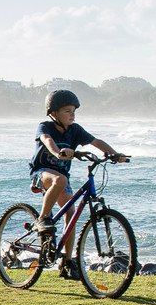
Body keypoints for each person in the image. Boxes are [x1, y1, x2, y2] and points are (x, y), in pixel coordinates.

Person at [29, 90, 128, 280]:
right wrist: (58, 153)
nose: (72, 114)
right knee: (61, 180)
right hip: (41, 173)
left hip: (60, 176)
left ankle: (67, 261)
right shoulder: (45, 127)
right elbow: (47, 141)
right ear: (54, 113)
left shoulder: (75, 130)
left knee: (71, 212)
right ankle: (42, 219)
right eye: (67, 111)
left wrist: (114, 154)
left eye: (74, 111)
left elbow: (96, 141)